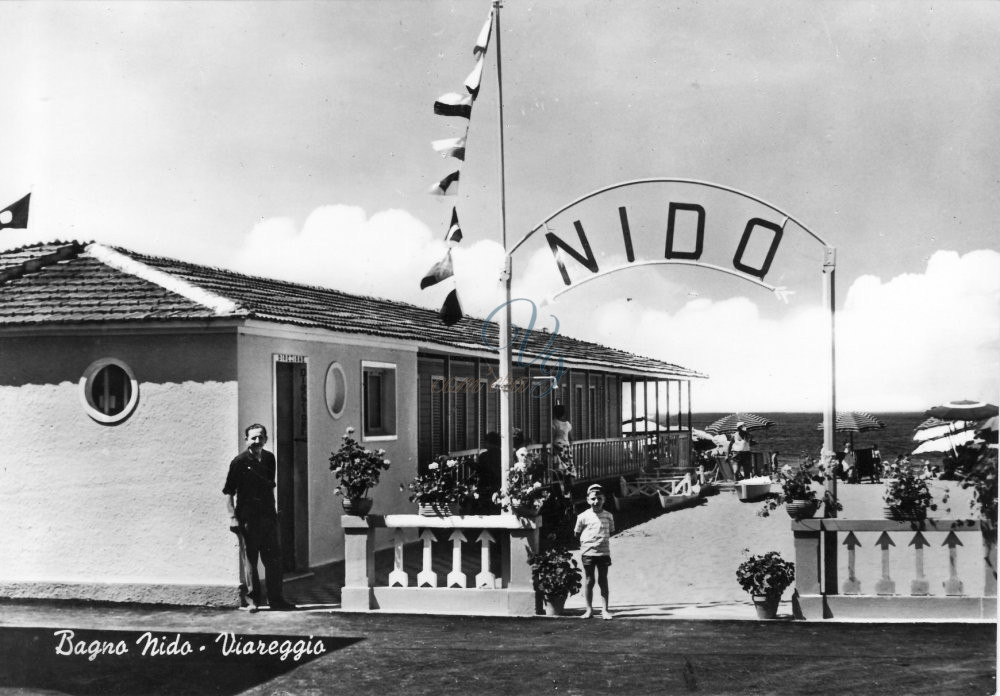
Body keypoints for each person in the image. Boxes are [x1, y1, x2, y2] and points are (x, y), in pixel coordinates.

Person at [223, 423, 296, 612]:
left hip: (268, 517)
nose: (257, 441)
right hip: (248, 519)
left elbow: (269, 486)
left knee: (274, 559)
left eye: (260, 437)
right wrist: (233, 518)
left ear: (266, 438)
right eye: (253, 438)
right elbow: (229, 492)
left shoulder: (270, 459)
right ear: (246, 439)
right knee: (251, 560)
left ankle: (276, 600)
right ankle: (253, 601)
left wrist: (274, 512)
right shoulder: (238, 462)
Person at [574, 484, 615, 620]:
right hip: (588, 552)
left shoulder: (608, 516)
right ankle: (589, 609)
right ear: (587, 500)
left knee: (603, 580)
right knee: (589, 580)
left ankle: (605, 610)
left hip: (603, 553)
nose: (596, 501)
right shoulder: (582, 516)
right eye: (593, 499)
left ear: (604, 499)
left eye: (599, 498)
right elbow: (576, 532)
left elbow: (611, 531)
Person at [551, 404, 577, 501]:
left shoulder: (554, 423)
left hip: (557, 447)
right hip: (566, 448)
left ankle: (563, 493)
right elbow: (571, 438)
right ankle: (566, 492)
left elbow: (552, 437)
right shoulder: (567, 424)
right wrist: (569, 445)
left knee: (560, 469)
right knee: (567, 469)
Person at [473, 432, 502, 513]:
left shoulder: (484, 456)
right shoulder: (503, 454)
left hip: (487, 488)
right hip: (499, 486)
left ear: (488, 443)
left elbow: (480, 471)